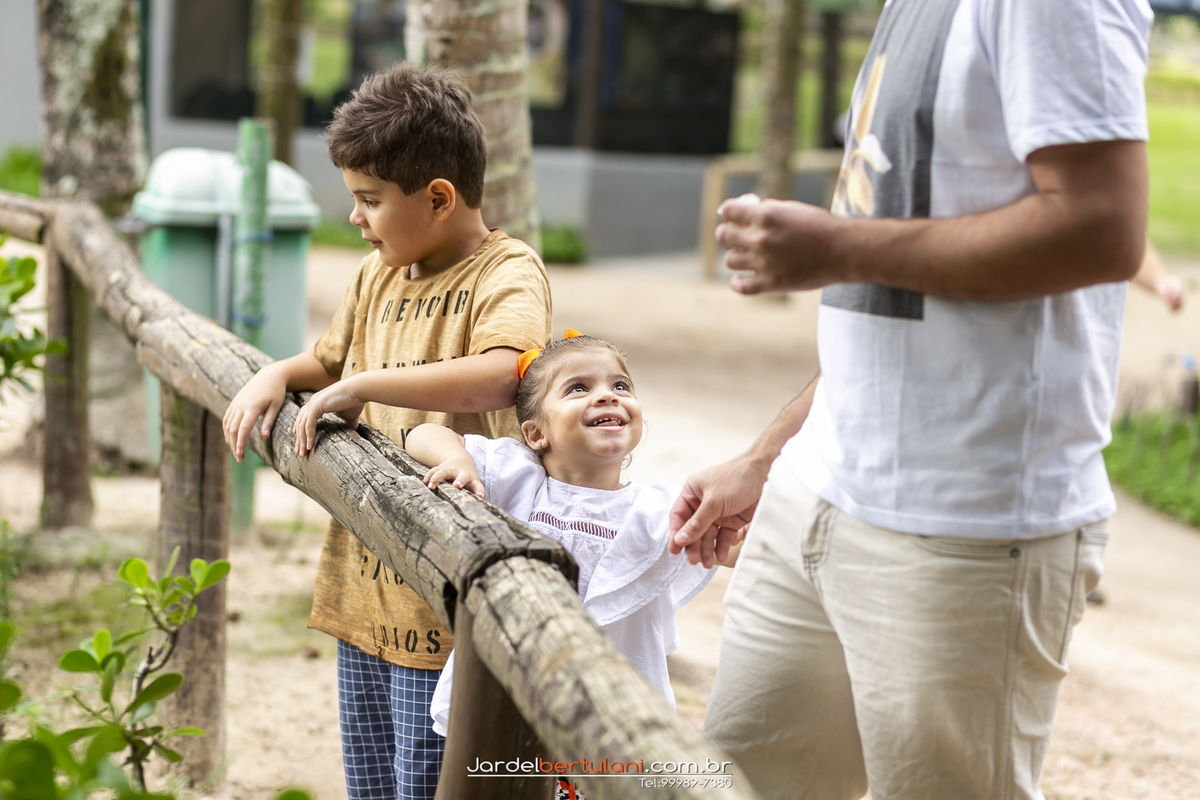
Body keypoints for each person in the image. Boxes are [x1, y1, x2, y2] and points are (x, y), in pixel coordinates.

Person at [668, 1, 1152, 798]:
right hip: (812, 497)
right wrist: (770, 456)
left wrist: (837, 248)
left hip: (965, 528)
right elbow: (893, 310)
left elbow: (1104, 228)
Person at [221, 63, 553, 800]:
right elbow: (330, 361)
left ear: (438, 198)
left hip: (446, 608)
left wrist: (366, 386)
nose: (355, 218)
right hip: (365, 593)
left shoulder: (506, 272)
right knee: (371, 781)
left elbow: (505, 371)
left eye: (369, 200)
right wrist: (276, 373)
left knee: (429, 783)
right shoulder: (376, 273)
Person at [405, 333, 718, 800]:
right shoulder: (519, 480)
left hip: (612, 717)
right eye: (578, 388)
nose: (607, 395)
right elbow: (420, 433)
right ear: (536, 434)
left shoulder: (656, 510)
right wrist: (457, 459)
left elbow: (730, 541)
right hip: (511, 699)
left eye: (620, 385)